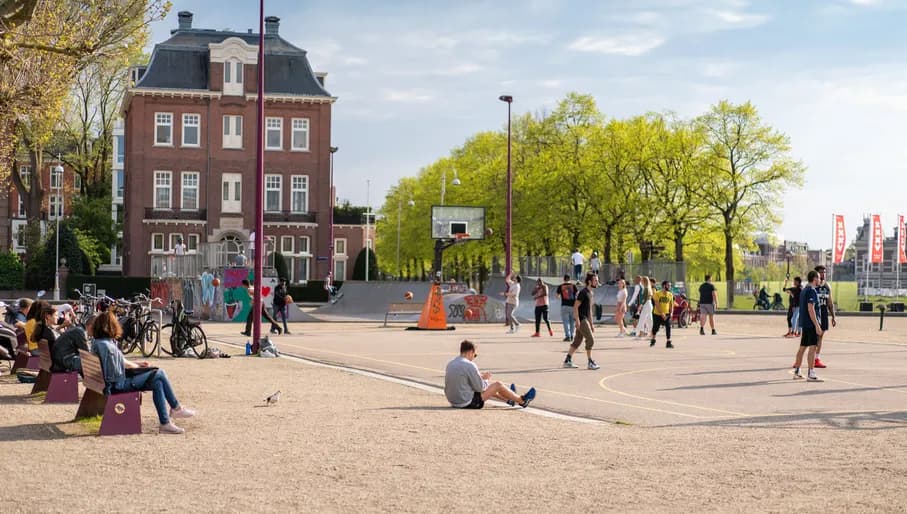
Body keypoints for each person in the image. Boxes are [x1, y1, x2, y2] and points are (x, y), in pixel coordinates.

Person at [91, 310, 197, 433]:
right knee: (159, 373)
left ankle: (165, 423)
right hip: (117, 386)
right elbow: (114, 371)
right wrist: (137, 369)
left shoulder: (101, 343)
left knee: (157, 383)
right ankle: (176, 409)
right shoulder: (106, 346)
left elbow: (118, 363)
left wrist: (137, 365)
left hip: (113, 383)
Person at [444, 340, 535, 409]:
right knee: (497, 385)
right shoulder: (469, 365)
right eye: (475, 355)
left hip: (453, 401)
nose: (474, 357)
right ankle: (522, 401)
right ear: (470, 352)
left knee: (489, 388)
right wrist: (486, 379)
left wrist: (480, 378)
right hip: (466, 403)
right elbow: (481, 388)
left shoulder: (451, 363)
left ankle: (509, 399)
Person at [563, 272, 601, 370]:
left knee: (577, 340)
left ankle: (567, 360)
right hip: (581, 319)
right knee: (590, 340)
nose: (597, 282)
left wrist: (591, 324)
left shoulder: (591, 293)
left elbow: (589, 310)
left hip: (585, 319)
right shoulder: (583, 292)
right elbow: (575, 307)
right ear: (590, 282)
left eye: (597, 280)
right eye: (595, 280)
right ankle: (590, 362)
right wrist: (577, 321)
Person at [792, 270, 823, 381]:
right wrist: (817, 325)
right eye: (818, 277)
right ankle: (811, 373)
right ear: (814, 279)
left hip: (804, 323)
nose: (820, 279)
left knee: (802, 348)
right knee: (813, 348)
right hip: (810, 324)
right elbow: (811, 309)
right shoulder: (811, 291)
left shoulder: (804, 290)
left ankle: (797, 371)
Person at [814, 265, 836, 368]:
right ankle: (800, 359)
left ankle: (816, 359)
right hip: (814, 313)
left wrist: (833, 316)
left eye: (824, 272)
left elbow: (830, 303)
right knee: (811, 337)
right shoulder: (812, 286)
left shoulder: (827, 286)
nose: (823, 274)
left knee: (820, 337)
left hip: (823, 314)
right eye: (821, 272)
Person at [650, 280, 675, 349]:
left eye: (670, 285)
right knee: (656, 328)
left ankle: (668, 342)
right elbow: (657, 305)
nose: (669, 287)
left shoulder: (670, 294)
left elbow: (671, 305)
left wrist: (671, 313)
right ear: (664, 286)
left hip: (667, 314)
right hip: (657, 314)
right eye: (668, 285)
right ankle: (653, 339)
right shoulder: (657, 294)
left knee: (668, 327)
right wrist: (662, 314)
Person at [555, 274, 577, 342]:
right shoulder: (573, 286)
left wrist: (560, 295)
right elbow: (578, 294)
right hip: (573, 306)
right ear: (570, 279)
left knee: (565, 322)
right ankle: (572, 335)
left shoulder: (560, 286)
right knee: (572, 322)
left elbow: (557, 296)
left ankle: (568, 336)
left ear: (563, 279)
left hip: (564, 305)